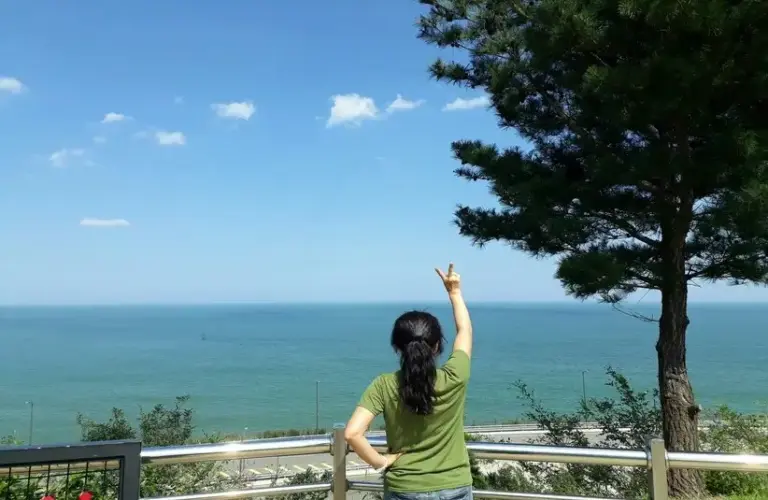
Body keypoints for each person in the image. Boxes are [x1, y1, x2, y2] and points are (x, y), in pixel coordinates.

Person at [344, 263, 473, 500]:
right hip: (455, 486)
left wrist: (381, 462)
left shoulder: (384, 385)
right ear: (437, 346)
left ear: (397, 347)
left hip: (405, 488)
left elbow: (352, 434)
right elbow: (464, 330)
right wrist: (454, 292)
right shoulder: (455, 376)